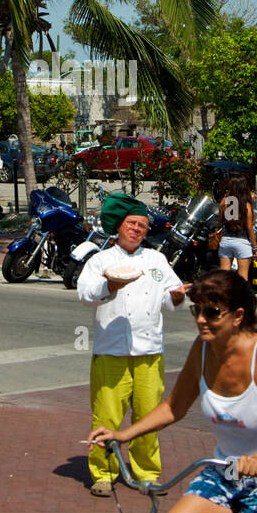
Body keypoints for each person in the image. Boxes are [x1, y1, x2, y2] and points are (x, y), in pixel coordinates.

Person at [88, 269, 257, 513]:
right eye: (196, 310)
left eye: (211, 312)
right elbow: (173, 406)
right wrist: (123, 435)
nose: (201, 319)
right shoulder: (202, 348)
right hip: (227, 470)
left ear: (238, 315)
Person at [77, 193, 188, 497]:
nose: (137, 229)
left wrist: (178, 296)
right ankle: (103, 473)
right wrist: (108, 286)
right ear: (119, 226)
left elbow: (170, 295)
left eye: (142, 225)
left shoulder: (156, 260)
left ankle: (146, 474)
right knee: (106, 417)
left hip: (149, 353)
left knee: (148, 418)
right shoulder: (101, 260)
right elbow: (85, 295)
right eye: (132, 224)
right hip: (110, 352)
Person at [217, 175, 257, 281]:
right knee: (242, 277)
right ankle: (240, 297)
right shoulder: (246, 205)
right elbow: (249, 227)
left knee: (224, 277)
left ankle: (223, 297)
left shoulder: (224, 202)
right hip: (242, 241)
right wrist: (255, 247)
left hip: (226, 240)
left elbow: (221, 221)